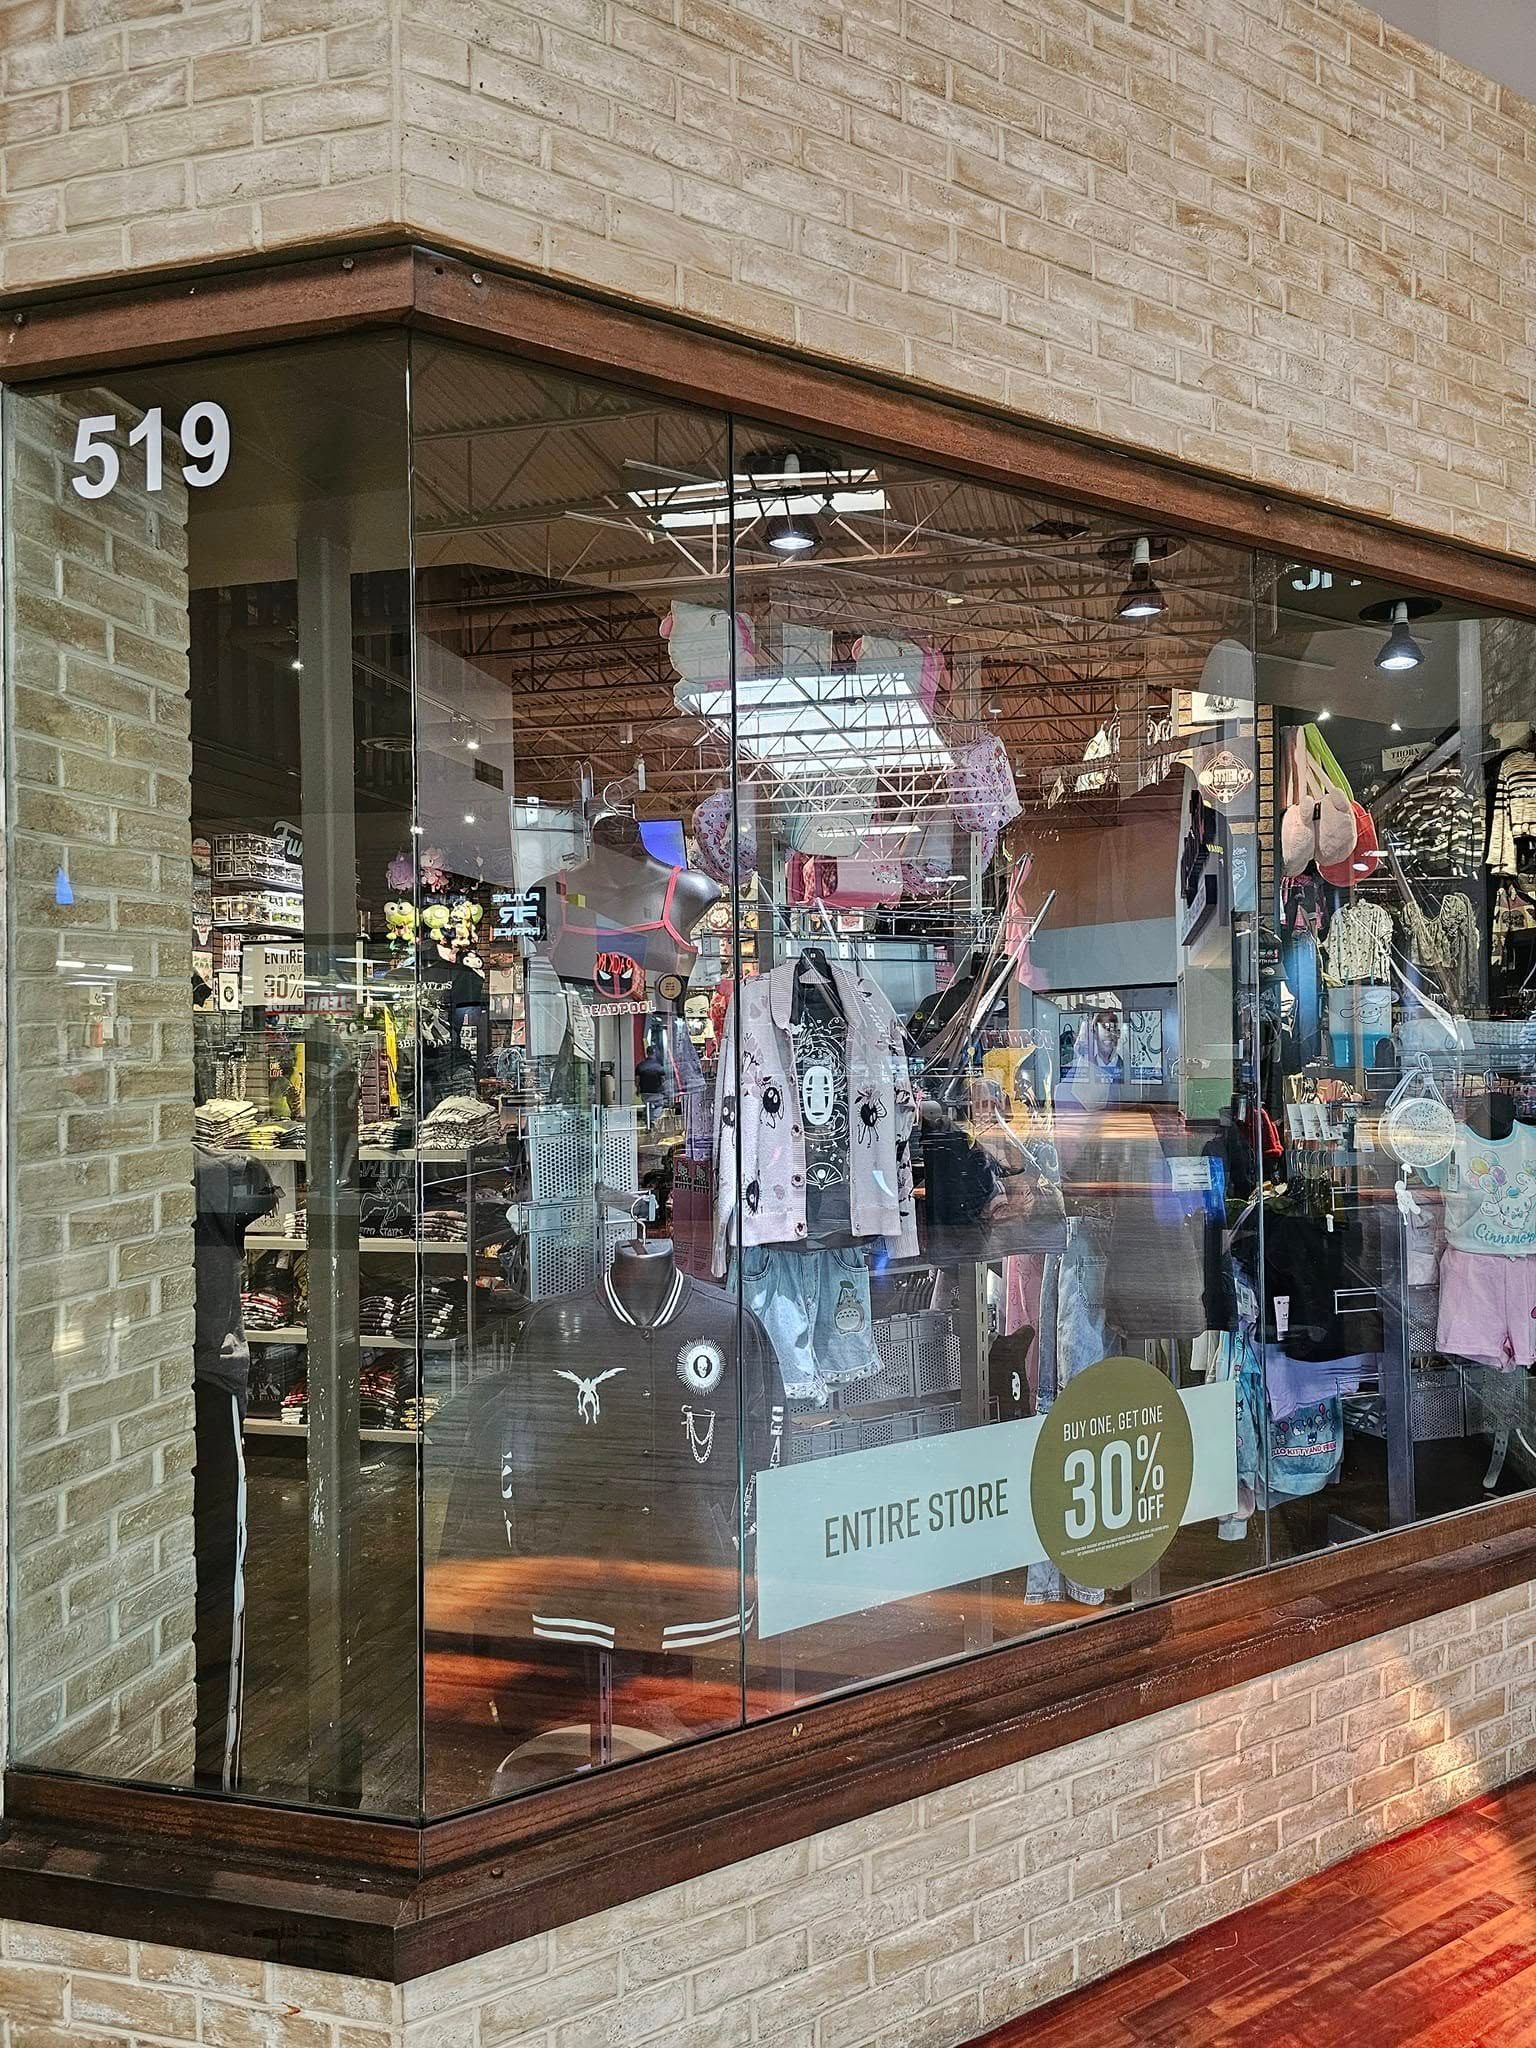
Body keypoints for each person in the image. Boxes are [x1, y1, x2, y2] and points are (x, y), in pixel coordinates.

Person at [193, 1142, 277, 1790]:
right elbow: (259, 1186)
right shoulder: (211, 1169)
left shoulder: (209, 1167)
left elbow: (257, 1185)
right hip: (206, 1379)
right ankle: (213, 1779)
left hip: (202, 1376)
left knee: (215, 1576)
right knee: (219, 1577)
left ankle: (210, 1774)